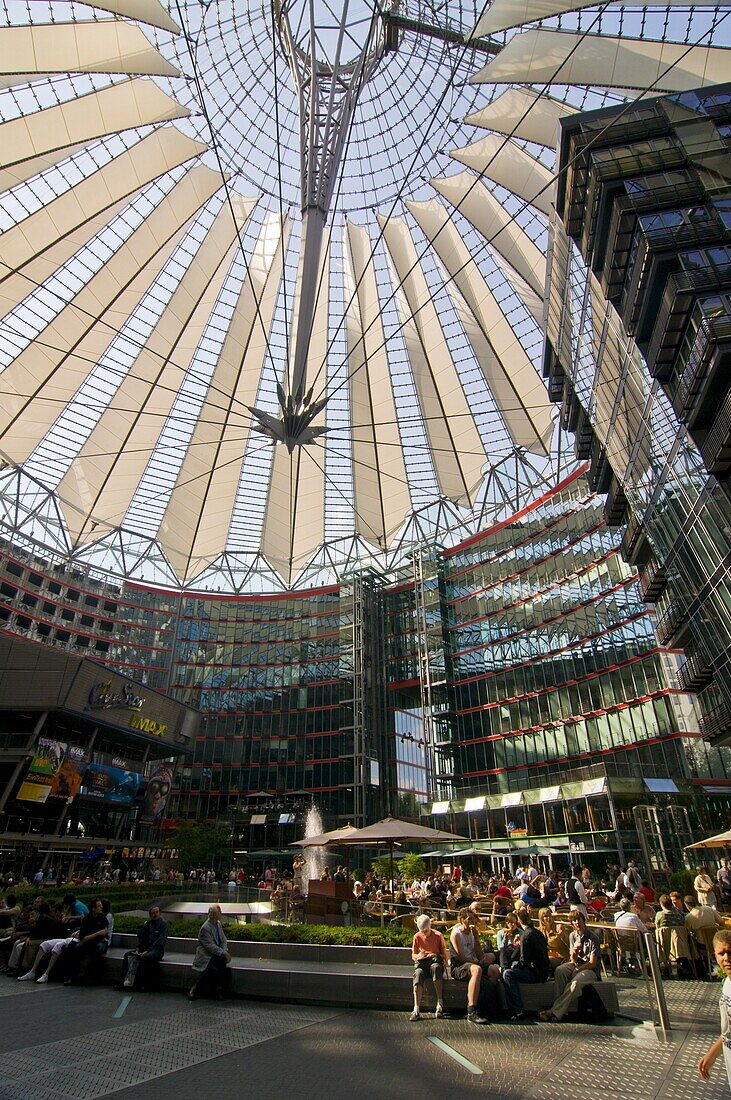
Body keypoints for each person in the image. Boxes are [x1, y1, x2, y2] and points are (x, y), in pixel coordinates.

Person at [539, 911, 601, 1022]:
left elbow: (592, 963)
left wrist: (578, 969)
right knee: (559, 971)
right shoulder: (573, 935)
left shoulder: (593, 937)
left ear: (583, 920)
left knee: (575, 983)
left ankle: (555, 1012)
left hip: (590, 969)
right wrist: (574, 953)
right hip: (576, 964)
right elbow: (573, 960)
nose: (577, 923)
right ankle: (562, 1010)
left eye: (579, 920)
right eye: (574, 921)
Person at [502, 908, 550, 1021]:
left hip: (536, 973)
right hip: (543, 971)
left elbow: (524, 961)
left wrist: (514, 966)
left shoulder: (526, 935)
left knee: (507, 974)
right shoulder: (537, 933)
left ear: (519, 921)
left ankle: (517, 1010)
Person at [698, 930, 731, 1088]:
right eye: (722, 953)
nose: (727, 958)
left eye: (730, 952)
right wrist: (713, 1053)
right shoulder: (727, 984)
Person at [449, 909, 490, 1024]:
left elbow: (480, 956)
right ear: (462, 920)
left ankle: (488, 1006)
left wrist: (477, 939)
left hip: (472, 963)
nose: (472, 921)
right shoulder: (456, 933)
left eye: (473, 918)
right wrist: (476, 963)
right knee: (477, 970)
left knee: (494, 970)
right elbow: (461, 957)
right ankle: (471, 1010)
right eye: (469, 918)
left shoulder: (473, 933)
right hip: (459, 966)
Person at [409, 913, 449, 1022]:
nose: (423, 933)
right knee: (418, 974)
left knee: (436, 968)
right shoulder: (417, 936)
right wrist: (419, 956)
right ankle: (416, 1008)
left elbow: (444, 954)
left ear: (430, 927)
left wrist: (435, 955)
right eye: (422, 931)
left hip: (434, 961)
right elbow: (413, 954)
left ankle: (439, 1003)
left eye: (425, 931)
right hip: (422, 963)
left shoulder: (438, 936)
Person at [119, 904, 168, 990]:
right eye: (153, 913)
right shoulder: (147, 925)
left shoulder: (163, 924)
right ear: (150, 915)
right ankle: (124, 982)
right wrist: (138, 950)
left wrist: (147, 951)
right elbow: (142, 940)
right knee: (128, 955)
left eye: (157, 912)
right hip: (144, 949)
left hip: (156, 950)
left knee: (145, 957)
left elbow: (160, 942)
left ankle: (142, 984)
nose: (155, 914)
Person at [188, 905, 231, 1001]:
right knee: (212, 970)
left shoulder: (218, 924)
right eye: (219, 912)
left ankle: (219, 990)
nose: (221, 914)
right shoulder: (205, 928)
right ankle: (195, 989)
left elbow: (223, 939)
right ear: (214, 915)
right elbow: (209, 946)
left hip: (217, 954)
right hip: (206, 955)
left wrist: (224, 951)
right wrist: (222, 952)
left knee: (222, 965)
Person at [64, 899, 109, 985]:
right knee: (76, 948)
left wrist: (95, 935)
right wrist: (97, 933)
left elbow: (105, 932)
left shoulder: (102, 917)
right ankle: (74, 977)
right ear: (93, 909)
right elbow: (83, 938)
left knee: (98, 948)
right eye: (99, 906)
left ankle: (91, 977)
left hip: (100, 941)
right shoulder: (86, 920)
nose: (101, 907)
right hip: (89, 941)